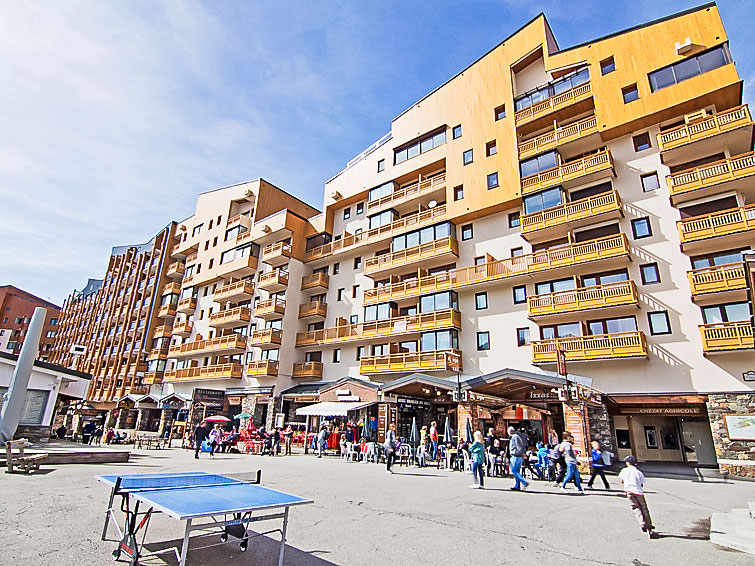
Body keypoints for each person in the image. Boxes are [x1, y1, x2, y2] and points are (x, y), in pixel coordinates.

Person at [619, 456, 655, 538]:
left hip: (629, 491)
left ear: (628, 463)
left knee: (635, 507)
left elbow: (622, 480)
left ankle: (642, 523)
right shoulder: (638, 472)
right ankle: (649, 525)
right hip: (638, 492)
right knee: (644, 508)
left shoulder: (624, 471)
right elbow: (642, 483)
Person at [507, 426, 528, 491]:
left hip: (516, 456)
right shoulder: (517, 436)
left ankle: (524, 482)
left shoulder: (514, 437)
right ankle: (517, 486)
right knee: (517, 471)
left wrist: (523, 454)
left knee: (514, 471)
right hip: (518, 456)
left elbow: (519, 447)